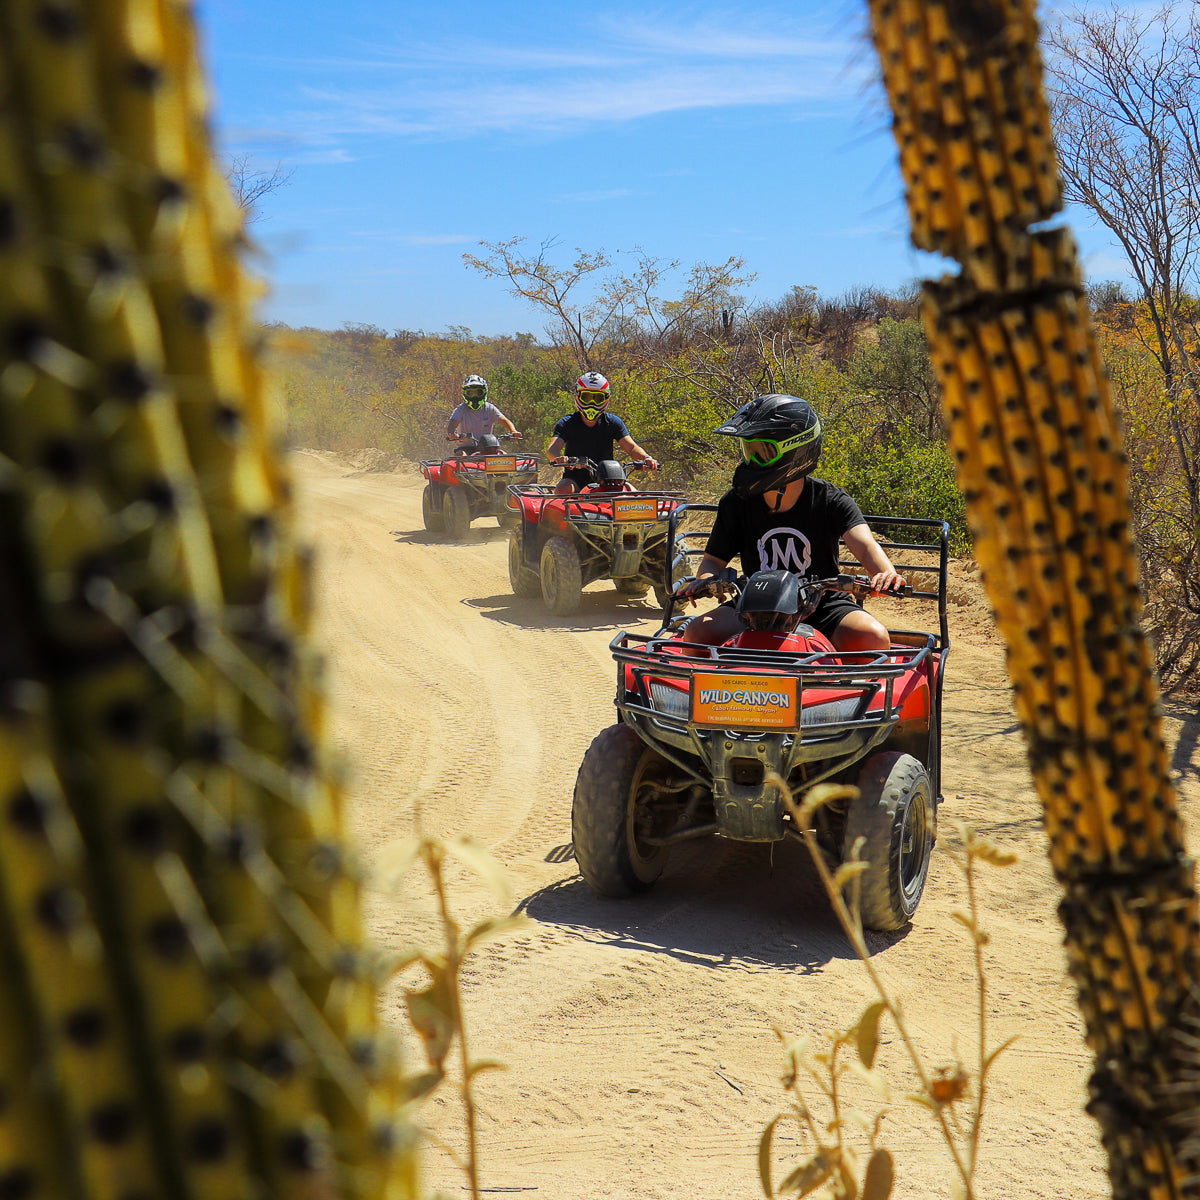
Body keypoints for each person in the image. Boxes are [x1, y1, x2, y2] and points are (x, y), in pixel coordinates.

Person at [676, 393, 905, 653]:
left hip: (823, 604)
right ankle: (703, 692)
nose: (750, 462)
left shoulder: (830, 499)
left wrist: (884, 573)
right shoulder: (736, 502)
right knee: (697, 632)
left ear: (797, 451)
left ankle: (850, 694)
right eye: (748, 452)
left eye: (762, 452)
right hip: (755, 605)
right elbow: (713, 561)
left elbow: (865, 546)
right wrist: (706, 580)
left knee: (872, 637)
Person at [546, 371, 658, 495]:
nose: (592, 403)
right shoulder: (566, 423)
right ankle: (557, 514)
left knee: (634, 494)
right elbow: (552, 449)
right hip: (575, 480)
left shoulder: (613, 422)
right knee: (562, 490)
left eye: (597, 398)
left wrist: (647, 458)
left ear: (606, 399)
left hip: (610, 481)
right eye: (587, 397)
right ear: (577, 396)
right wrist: (560, 459)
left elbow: (631, 448)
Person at [446, 375, 520, 450]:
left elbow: (504, 420)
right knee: (461, 455)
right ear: (465, 394)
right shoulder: (461, 409)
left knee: (505, 457)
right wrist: (452, 434)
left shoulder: (489, 408)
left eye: (478, 392)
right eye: (471, 393)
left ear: (484, 392)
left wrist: (513, 431)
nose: (475, 396)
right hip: (466, 448)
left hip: (488, 447)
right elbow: (452, 424)